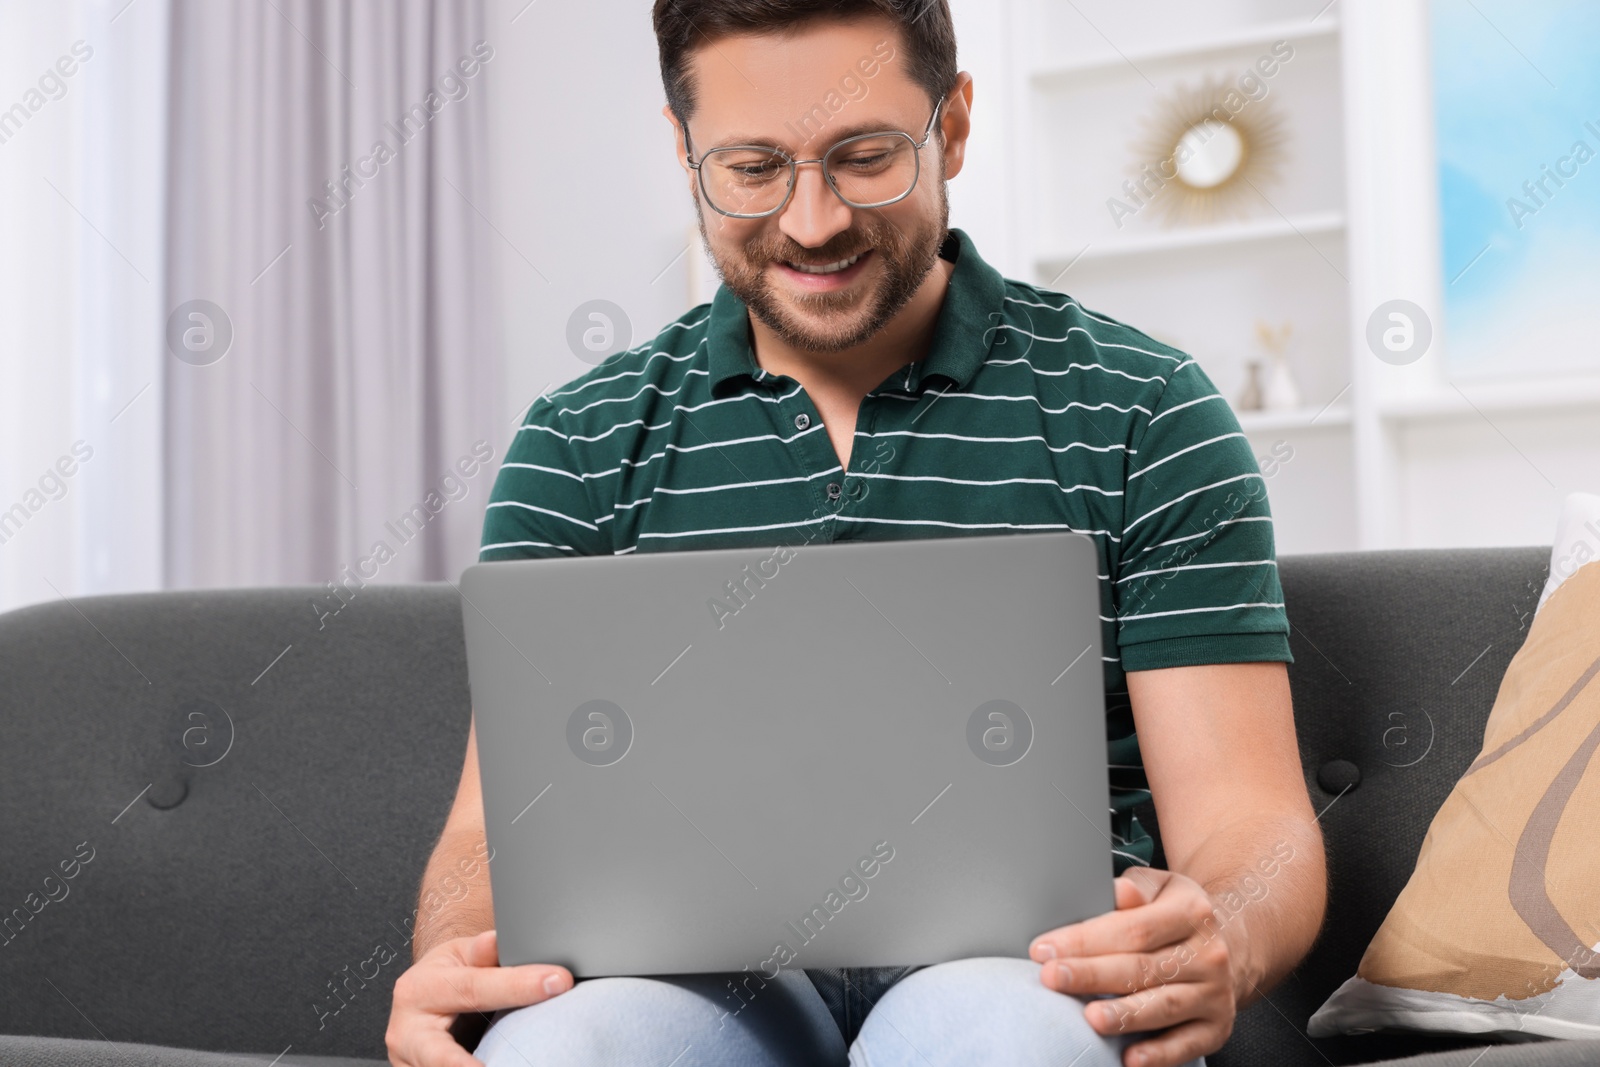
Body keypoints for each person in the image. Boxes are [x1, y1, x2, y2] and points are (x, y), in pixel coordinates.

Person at [385, 2, 1327, 1065]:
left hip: (1029, 968)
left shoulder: (1141, 410)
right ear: (684, 151)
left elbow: (1251, 820)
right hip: (681, 982)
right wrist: (454, 965)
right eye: (751, 168)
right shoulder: (579, 440)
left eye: (864, 156)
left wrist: (1219, 938)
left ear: (954, 127)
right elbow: (489, 831)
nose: (813, 221)